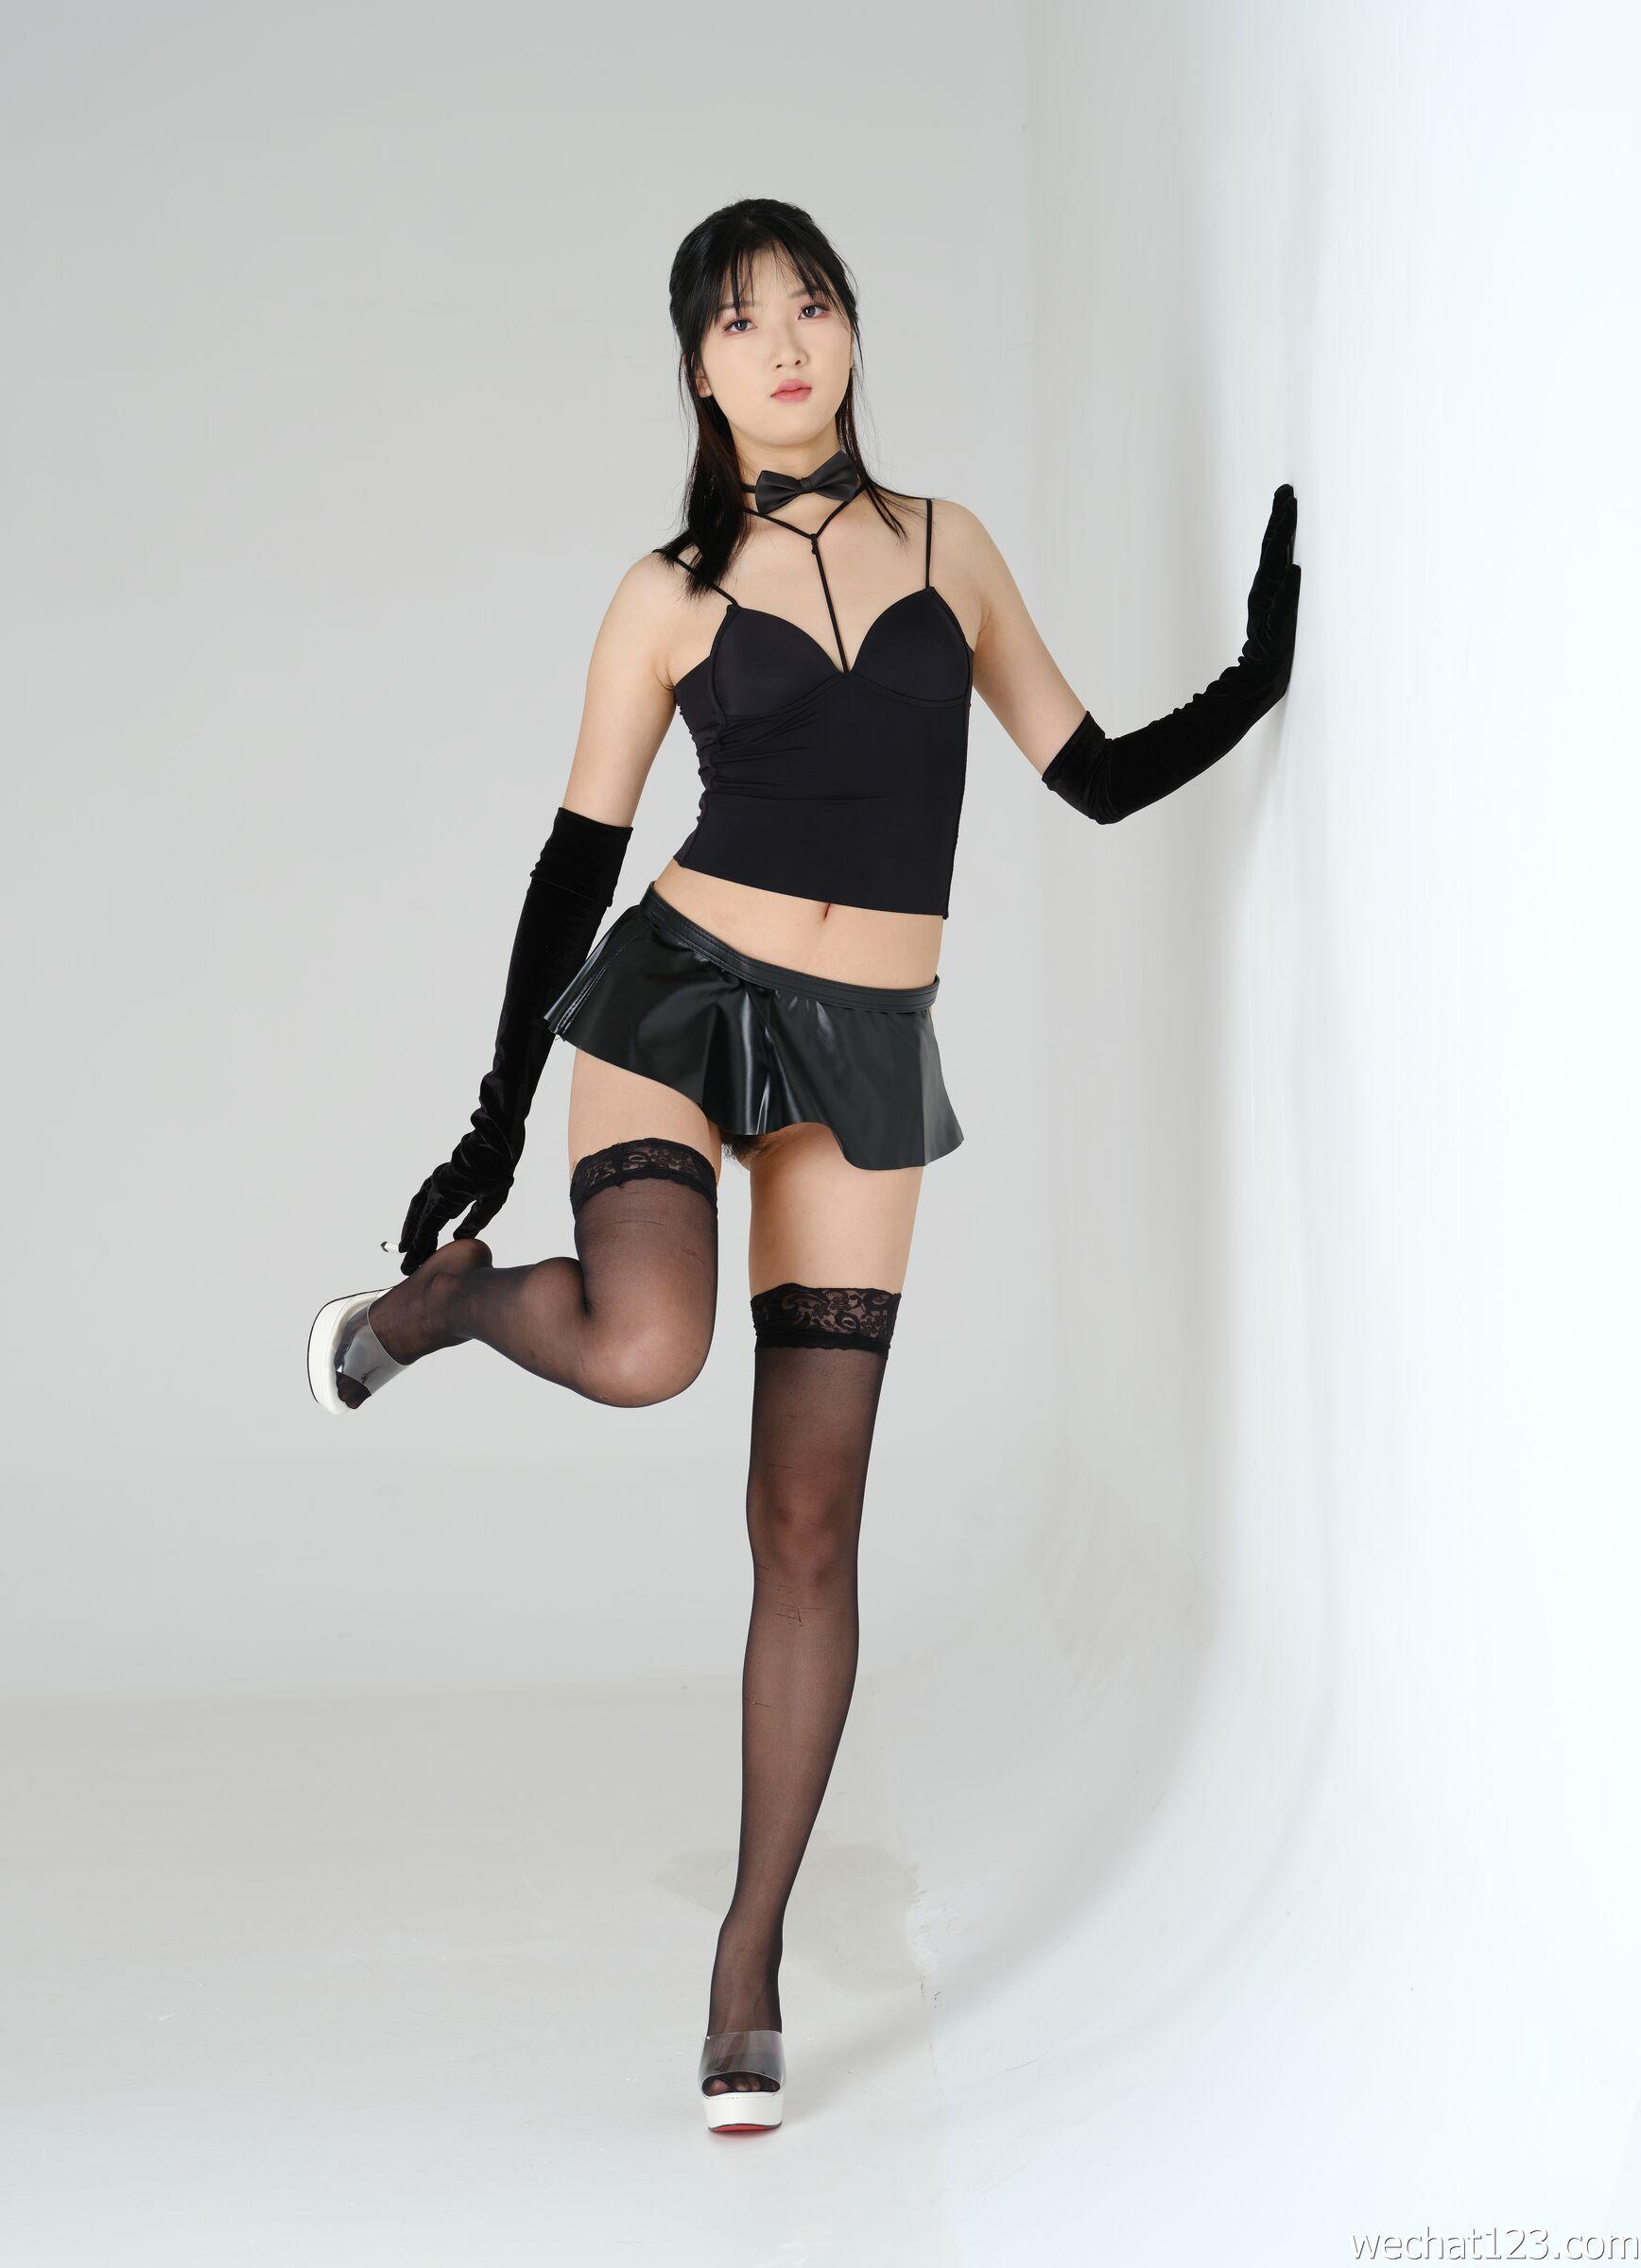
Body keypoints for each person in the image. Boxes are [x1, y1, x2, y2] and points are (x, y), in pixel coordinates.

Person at [305, 198, 1302, 2136]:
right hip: (677, 996)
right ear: (696, 369)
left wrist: (1257, 673)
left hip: (865, 1048)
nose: (784, 344)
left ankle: (747, 1955)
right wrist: (489, 1122)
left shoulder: (949, 549)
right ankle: (459, 1304)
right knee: (646, 1347)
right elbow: (574, 865)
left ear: (851, 333)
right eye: (741, 321)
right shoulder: (666, 591)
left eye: (813, 307)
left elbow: (1090, 776)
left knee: (810, 1525)